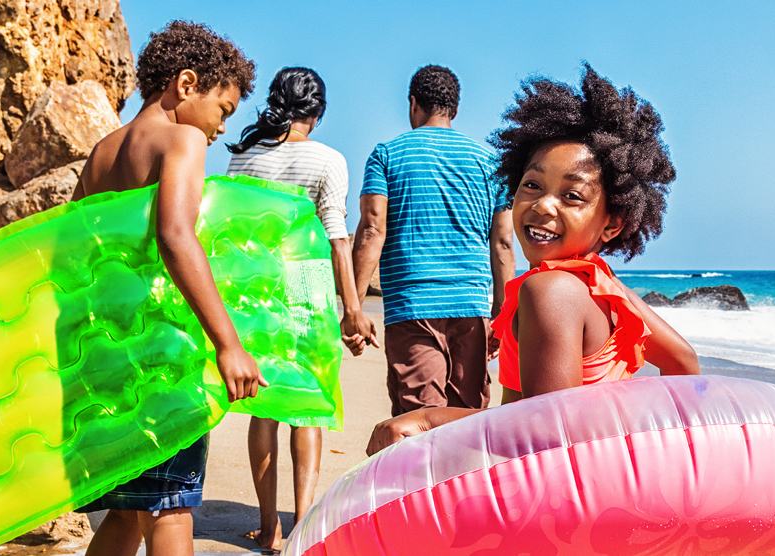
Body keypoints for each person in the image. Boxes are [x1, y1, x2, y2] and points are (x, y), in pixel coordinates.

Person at [365, 65, 699, 455]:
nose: (543, 205)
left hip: (557, 506)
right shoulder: (600, 282)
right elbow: (683, 362)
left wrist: (427, 419)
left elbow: (543, 434)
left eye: (572, 196)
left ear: (612, 224)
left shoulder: (549, 289)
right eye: (532, 185)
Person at [71, 21, 261, 556]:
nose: (222, 128)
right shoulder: (184, 137)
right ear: (186, 83)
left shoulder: (103, 150)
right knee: (171, 505)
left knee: (130, 510)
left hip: (106, 356)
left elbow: (79, 254)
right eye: (223, 109)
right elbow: (175, 235)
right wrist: (228, 343)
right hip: (159, 357)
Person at [224, 66, 357, 553]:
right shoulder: (328, 159)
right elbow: (337, 238)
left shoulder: (242, 159)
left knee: (265, 407)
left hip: (255, 288)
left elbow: (232, 234)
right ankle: (304, 525)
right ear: (316, 115)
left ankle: (268, 527)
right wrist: (354, 308)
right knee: (308, 408)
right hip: (307, 283)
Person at [344, 65, 516, 417]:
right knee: (468, 423)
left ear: (413, 103)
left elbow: (372, 230)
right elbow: (503, 244)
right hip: (471, 306)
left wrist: (355, 308)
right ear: (454, 110)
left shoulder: (387, 155)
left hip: (413, 306)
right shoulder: (490, 162)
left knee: (418, 422)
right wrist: (502, 314)